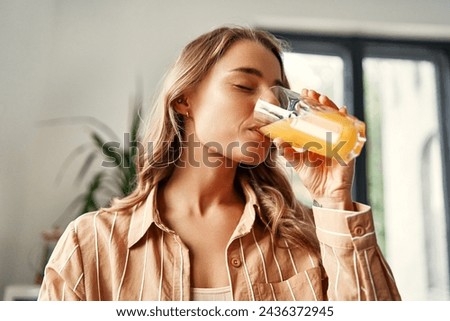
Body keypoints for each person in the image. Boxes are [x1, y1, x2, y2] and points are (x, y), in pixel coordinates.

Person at [38, 25, 401, 301]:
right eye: (244, 86)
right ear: (184, 100)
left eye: (277, 93)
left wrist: (335, 199)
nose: (265, 107)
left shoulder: (310, 236)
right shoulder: (91, 245)